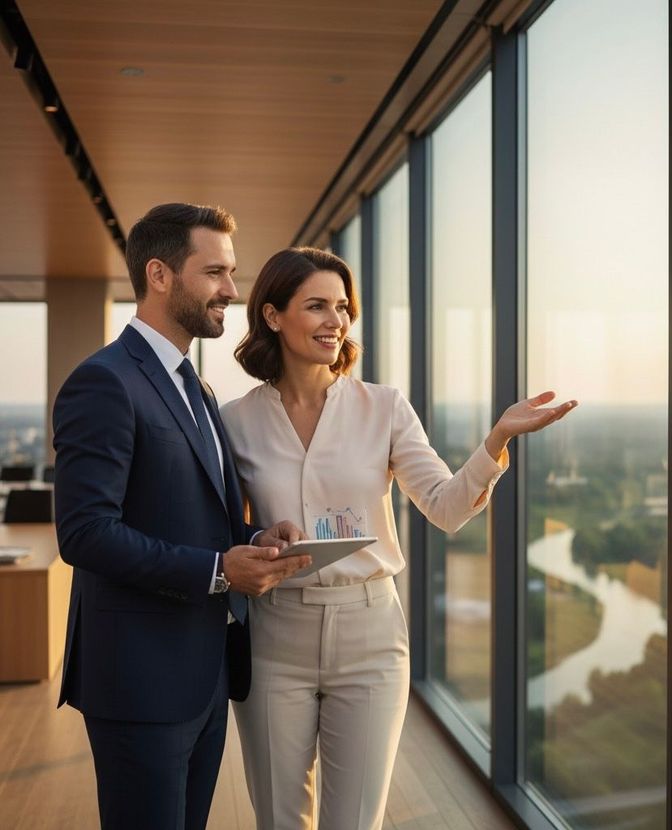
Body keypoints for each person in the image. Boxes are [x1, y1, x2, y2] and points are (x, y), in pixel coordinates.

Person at [220, 246, 578, 830]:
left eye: (343, 307)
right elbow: (227, 527)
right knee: (280, 821)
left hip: (370, 637)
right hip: (273, 636)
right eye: (317, 306)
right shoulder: (235, 420)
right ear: (272, 315)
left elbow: (444, 507)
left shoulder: (383, 407)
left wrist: (495, 443)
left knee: (356, 822)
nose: (336, 320)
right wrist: (258, 536)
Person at [53, 203, 311, 830]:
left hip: (202, 673)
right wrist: (222, 573)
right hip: (139, 681)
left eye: (232, 272)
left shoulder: (197, 386)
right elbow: (84, 533)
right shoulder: (104, 382)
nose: (231, 290)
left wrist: (255, 538)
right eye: (216, 272)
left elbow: (201, 518)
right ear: (161, 274)